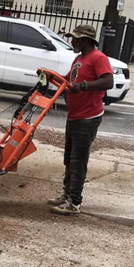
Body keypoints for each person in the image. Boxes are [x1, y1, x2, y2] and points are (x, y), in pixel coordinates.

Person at [48, 25, 113, 216]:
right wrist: (52, 78)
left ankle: (74, 202)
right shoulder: (79, 59)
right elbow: (69, 80)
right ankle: (67, 194)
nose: (72, 41)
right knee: (69, 157)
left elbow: (108, 82)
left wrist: (84, 86)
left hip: (88, 117)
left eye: (75, 39)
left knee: (78, 160)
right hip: (75, 115)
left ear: (85, 40)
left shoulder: (98, 58)